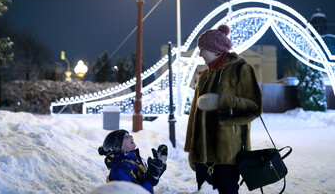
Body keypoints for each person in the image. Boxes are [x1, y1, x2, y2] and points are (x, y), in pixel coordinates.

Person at [184, 24, 262, 194]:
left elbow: (254, 107)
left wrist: (220, 101)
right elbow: (194, 115)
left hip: (228, 154)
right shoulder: (204, 75)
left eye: (202, 49)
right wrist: (191, 148)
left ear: (216, 50)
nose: (200, 54)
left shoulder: (241, 69)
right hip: (202, 155)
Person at [98, 129, 168, 194]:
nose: (131, 136)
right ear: (119, 146)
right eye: (126, 136)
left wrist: (158, 166)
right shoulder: (121, 168)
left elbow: (145, 181)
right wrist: (152, 175)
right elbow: (136, 191)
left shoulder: (132, 160)